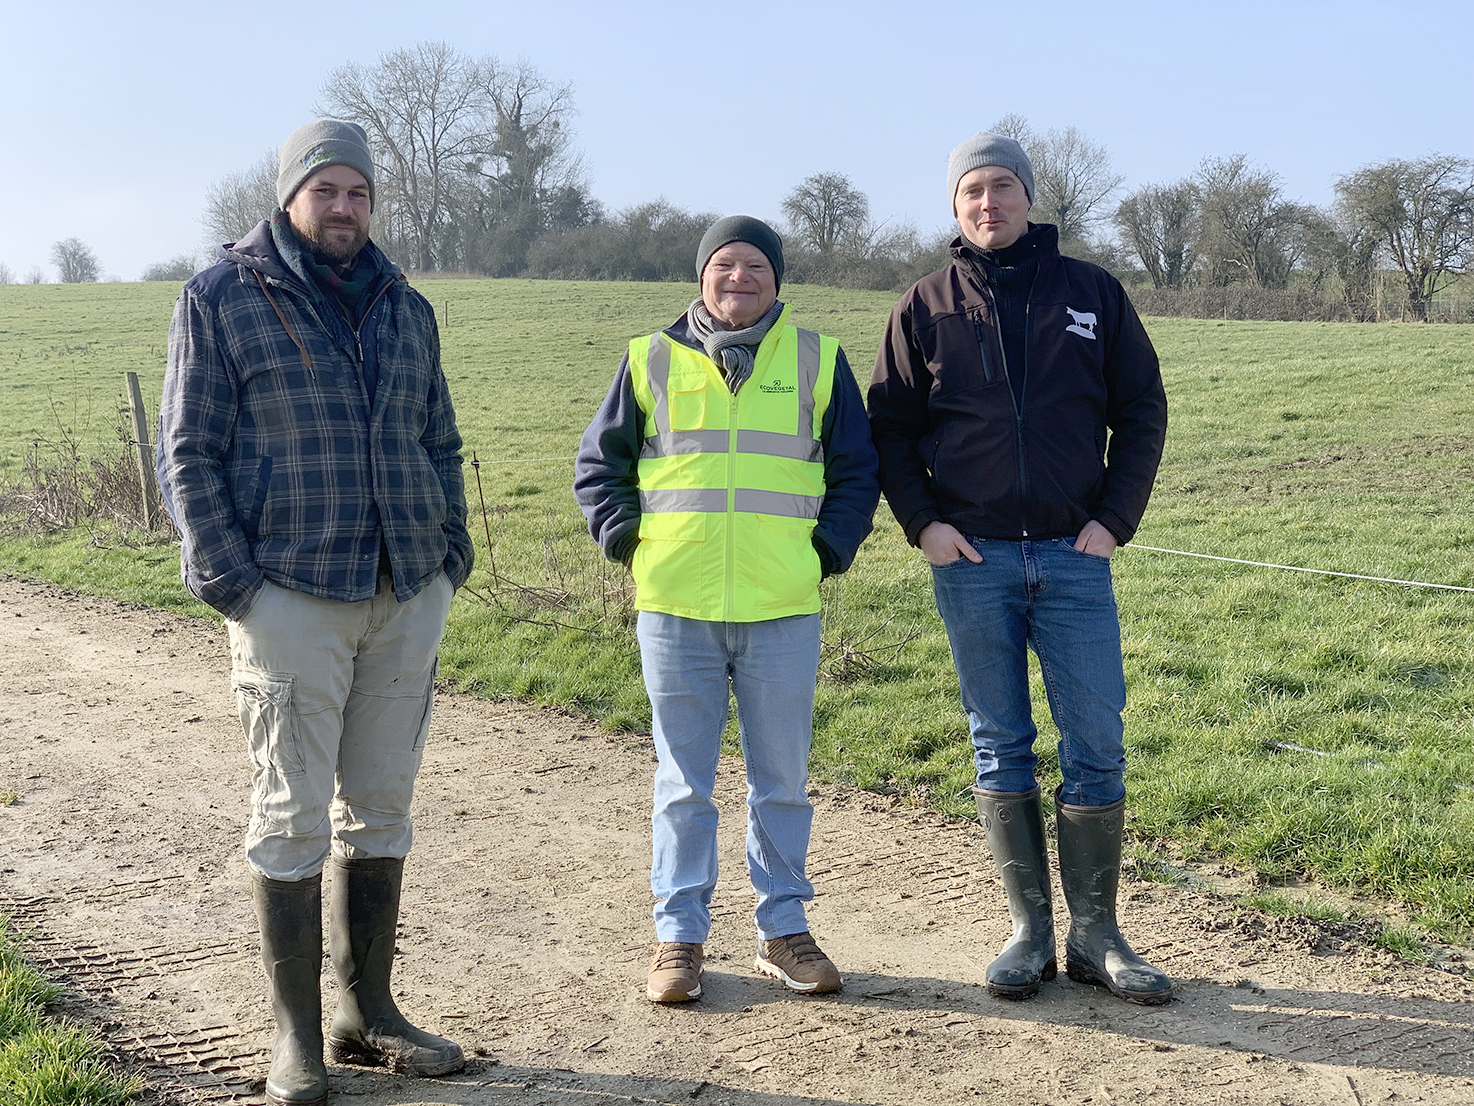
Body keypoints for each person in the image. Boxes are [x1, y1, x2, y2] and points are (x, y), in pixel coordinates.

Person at [157, 119, 474, 1104]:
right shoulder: (220, 298)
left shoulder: (405, 306)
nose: (344, 208)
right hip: (288, 592)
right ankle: (294, 1036)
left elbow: (440, 437)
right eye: (327, 189)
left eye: (359, 192)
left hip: (403, 590)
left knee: (380, 806)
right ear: (290, 193)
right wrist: (232, 579)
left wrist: (448, 553)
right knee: (291, 814)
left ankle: (366, 1013)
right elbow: (188, 453)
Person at [867, 133, 1171, 1005]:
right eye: (972, 191)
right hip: (973, 560)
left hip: (1077, 559)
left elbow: (1143, 406)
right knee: (999, 740)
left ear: (1029, 198)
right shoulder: (923, 306)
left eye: (1002, 186)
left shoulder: (1093, 294)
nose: (988, 202)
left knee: (1097, 743)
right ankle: (1030, 933)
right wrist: (923, 525)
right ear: (955, 206)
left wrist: (1114, 521)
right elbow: (887, 428)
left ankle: (1096, 935)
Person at [575, 216, 879, 1003]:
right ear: (700, 277)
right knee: (684, 782)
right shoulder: (649, 359)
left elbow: (857, 470)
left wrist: (827, 552)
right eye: (724, 265)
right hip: (676, 606)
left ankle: (784, 932)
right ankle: (679, 940)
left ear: (778, 281)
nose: (738, 278)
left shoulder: (817, 360)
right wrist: (628, 544)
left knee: (781, 781)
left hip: (782, 606)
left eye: (754, 267)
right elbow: (597, 466)